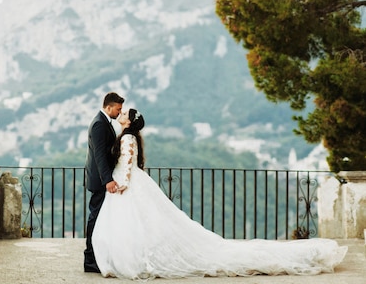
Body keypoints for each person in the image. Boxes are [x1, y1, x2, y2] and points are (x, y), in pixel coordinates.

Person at [92, 108, 348, 279]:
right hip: (135, 184)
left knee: (136, 225)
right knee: (145, 225)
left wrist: (121, 185)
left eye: (124, 113)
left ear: (128, 121)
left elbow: (127, 166)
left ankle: (133, 259)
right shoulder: (129, 135)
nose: (121, 113)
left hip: (128, 186)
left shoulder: (126, 138)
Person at [83, 91, 124, 273]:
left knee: (100, 218)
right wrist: (107, 180)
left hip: (101, 178)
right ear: (109, 106)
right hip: (100, 180)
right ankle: (90, 259)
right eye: (118, 108)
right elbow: (99, 155)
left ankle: (97, 257)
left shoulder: (103, 122)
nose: (119, 112)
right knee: (95, 218)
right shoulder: (100, 124)